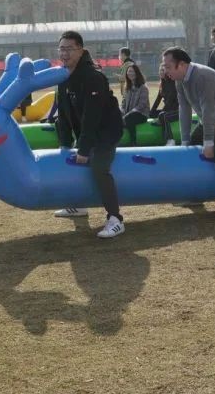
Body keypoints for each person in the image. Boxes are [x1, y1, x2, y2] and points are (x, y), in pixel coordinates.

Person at [53, 30, 126, 238]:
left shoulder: (94, 77)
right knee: (74, 163)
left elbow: (92, 116)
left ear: (81, 50)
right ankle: (78, 205)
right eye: (61, 49)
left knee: (99, 166)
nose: (64, 53)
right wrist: (65, 144)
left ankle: (116, 219)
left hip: (106, 131)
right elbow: (63, 113)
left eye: (69, 49)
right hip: (87, 131)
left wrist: (84, 148)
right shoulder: (63, 77)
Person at [164, 46, 215, 219]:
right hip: (207, 119)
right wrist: (185, 140)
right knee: (191, 149)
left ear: (181, 65)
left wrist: (208, 142)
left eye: (168, 66)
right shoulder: (179, 80)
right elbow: (184, 108)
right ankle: (195, 196)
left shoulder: (201, 77)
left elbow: (209, 110)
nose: (166, 70)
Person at [149, 61, 179, 146]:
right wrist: (151, 112)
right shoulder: (162, 83)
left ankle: (170, 139)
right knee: (153, 113)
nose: (161, 72)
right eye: (160, 70)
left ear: (167, 71)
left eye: (163, 70)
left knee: (163, 115)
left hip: (177, 111)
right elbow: (158, 99)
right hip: (168, 110)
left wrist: (161, 113)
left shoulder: (173, 83)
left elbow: (170, 101)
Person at [121, 63, 150, 145]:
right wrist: (122, 110)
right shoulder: (127, 88)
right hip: (128, 114)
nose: (130, 73)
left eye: (132, 71)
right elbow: (123, 102)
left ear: (137, 73)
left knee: (129, 118)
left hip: (141, 114)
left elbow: (142, 104)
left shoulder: (143, 88)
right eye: (129, 71)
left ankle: (133, 143)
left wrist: (130, 113)